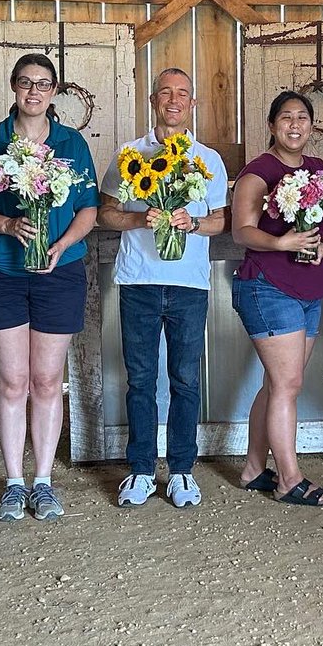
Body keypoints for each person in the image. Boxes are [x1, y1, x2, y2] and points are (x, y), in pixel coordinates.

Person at [0, 54, 99, 522]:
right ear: (14, 87)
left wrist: (60, 245)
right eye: (25, 83)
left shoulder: (71, 144)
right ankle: (13, 482)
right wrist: (5, 223)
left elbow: (88, 209)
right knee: (12, 380)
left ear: (55, 91)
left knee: (46, 380)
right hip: (0, 270)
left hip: (57, 272)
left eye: (43, 84)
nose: (34, 92)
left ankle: (42, 481)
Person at [98, 68, 227, 509]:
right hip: (139, 281)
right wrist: (140, 218)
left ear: (193, 104)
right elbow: (106, 213)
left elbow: (219, 220)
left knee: (185, 379)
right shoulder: (129, 154)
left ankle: (183, 471)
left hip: (189, 285)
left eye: (183, 94)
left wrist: (192, 223)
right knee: (140, 380)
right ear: (152, 100)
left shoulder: (207, 158)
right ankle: (139, 470)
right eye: (165, 93)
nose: (174, 100)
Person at [233, 91, 323, 506]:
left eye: (303, 117)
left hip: (309, 288)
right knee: (288, 384)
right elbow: (241, 231)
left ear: (312, 125)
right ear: (272, 125)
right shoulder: (258, 172)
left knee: (277, 383)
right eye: (286, 117)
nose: (295, 124)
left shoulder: (321, 171)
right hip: (267, 285)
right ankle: (289, 479)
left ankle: (252, 468)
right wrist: (282, 242)